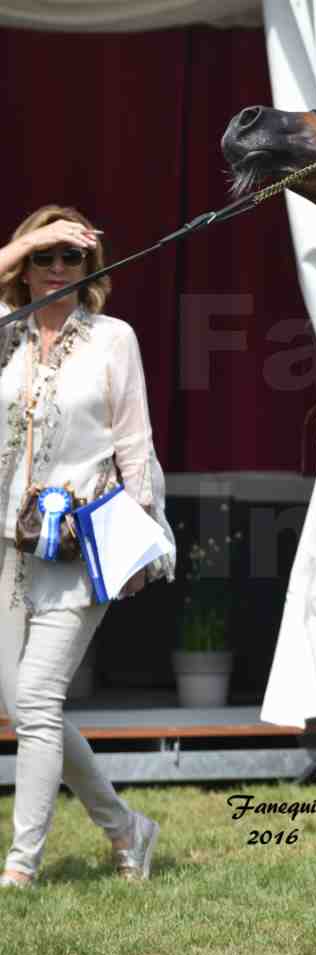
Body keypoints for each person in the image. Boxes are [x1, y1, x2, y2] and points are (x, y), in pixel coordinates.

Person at [0, 204, 175, 887]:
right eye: (45, 256)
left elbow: (136, 445)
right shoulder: (7, 335)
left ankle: (21, 866)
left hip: (79, 548)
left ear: (91, 269)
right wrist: (35, 237)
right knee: (25, 706)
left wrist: (140, 543)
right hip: (7, 550)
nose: (57, 268)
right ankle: (127, 829)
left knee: (37, 700)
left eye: (71, 257)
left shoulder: (113, 339)